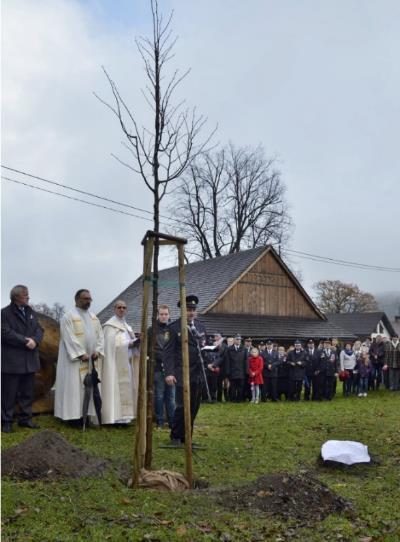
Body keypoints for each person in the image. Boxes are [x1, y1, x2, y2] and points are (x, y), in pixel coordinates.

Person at [54, 289, 104, 425]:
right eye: (85, 298)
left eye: (89, 299)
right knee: (74, 388)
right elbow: (68, 337)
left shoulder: (94, 317)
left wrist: (97, 351)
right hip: (75, 361)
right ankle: (73, 418)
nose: (88, 301)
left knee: (87, 388)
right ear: (76, 300)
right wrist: (81, 353)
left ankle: (85, 416)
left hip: (90, 360)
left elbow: (101, 336)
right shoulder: (68, 317)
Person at [164, 295, 206, 446]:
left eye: (193, 310)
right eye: (188, 310)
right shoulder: (174, 328)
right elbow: (168, 352)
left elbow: (202, 347)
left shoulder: (200, 327)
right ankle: (176, 436)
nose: (191, 312)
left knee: (194, 406)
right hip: (181, 372)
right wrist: (169, 373)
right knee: (182, 406)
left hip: (197, 373)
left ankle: (187, 437)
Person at [1, 285, 44, 433]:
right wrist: (25, 341)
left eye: (28, 294)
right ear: (16, 297)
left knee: (27, 392)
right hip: (12, 362)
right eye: (25, 294)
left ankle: (25, 419)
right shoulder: (4, 313)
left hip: (29, 360)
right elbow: (5, 333)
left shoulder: (30, 311)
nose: (28, 296)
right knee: (9, 393)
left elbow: (39, 329)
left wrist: (36, 341)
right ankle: (6, 421)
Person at [102, 300, 137, 425]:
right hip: (114, 365)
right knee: (115, 390)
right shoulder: (109, 326)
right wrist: (129, 344)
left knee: (127, 388)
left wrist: (136, 342)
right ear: (114, 309)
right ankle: (114, 418)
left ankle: (125, 418)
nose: (122, 309)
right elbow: (110, 346)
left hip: (126, 363)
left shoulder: (126, 326)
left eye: (124, 307)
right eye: (119, 307)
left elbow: (130, 342)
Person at [147, 304, 175, 429]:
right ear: (158, 315)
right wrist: (161, 357)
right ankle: (159, 421)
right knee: (159, 395)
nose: (164, 316)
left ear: (169, 315)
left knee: (171, 397)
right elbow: (149, 349)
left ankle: (172, 422)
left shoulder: (173, 329)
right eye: (161, 314)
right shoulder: (152, 329)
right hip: (157, 367)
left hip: (171, 369)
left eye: (166, 314)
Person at [225, 334, 248, 402]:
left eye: (240, 339)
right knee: (233, 386)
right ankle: (233, 399)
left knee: (241, 386)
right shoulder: (229, 349)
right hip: (232, 371)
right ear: (234, 340)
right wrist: (227, 371)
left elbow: (246, 361)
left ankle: (239, 399)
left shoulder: (244, 349)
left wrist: (246, 371)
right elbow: (227, 361)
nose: (239, 341)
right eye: (237, 339)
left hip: (241, 371)